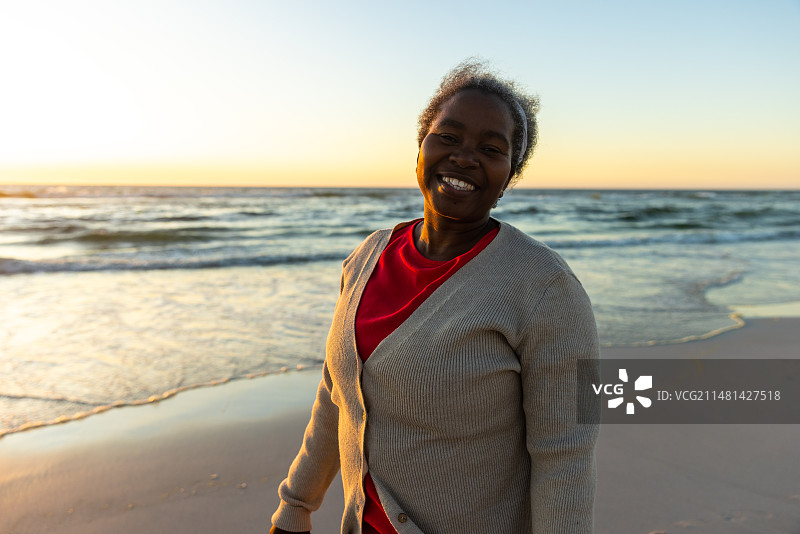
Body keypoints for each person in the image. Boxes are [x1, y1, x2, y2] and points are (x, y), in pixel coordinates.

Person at [270, 59, 599, 534]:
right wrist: (296, 505)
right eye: (448, 137)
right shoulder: (365, 258)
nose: (464, 157)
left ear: (509, 175)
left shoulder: (544, 287)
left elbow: (566, 457)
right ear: (421, 147)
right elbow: (336, 396)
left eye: (491, 148)